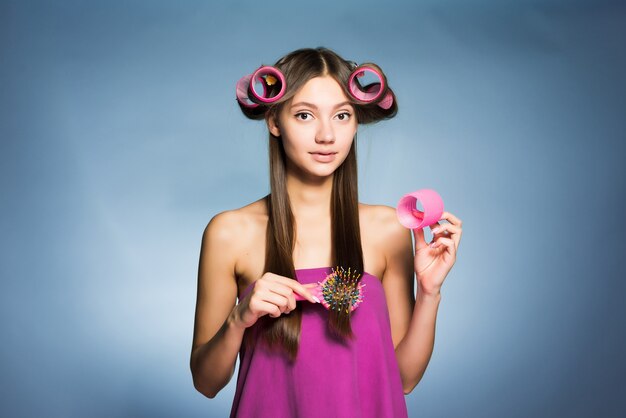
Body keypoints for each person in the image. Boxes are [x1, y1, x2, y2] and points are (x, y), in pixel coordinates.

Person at [189, 46, 463, 418]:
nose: (326, 135)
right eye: (305, 115)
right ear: (274, 120)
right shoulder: (229, 233)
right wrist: (239, 320)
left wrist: (430, 293)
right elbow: (206, 383)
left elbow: (403, 380)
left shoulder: (386, 230)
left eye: (342, 115)